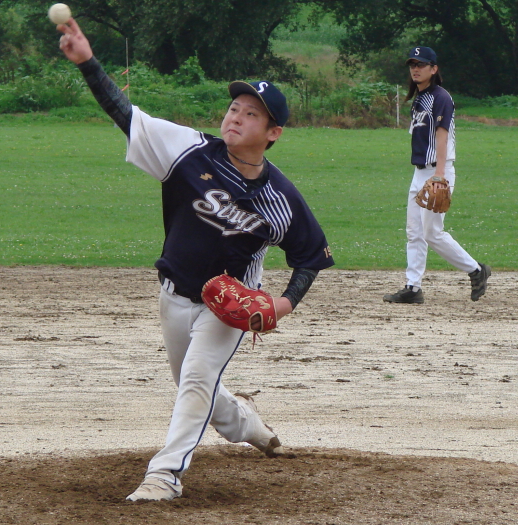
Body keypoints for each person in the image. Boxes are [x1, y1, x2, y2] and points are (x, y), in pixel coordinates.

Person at [57, 18, 334, 502]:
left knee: (197, 381)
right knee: (196, 386)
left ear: (273, 133)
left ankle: (164, 476)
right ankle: (246, 423)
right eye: (234, 108)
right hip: (173, 295)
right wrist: (87, 63)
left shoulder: (282, 198)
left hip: (227, 306)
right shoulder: (189, 151)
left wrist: (283, 304)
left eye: (251, 114)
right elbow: (126, 115)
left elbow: (310, 256)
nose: (236, 117)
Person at [384, 46, 490, 305]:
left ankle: (476, 270)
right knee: (414, 231)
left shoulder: (440, 97)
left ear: (434, 69)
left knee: (432, 233)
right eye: (412, 64)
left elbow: (441, 137)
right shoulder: (419, 98)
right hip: (420, 172)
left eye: (421, 64)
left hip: (437, 171)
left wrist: (440, 175)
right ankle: (413, 287)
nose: (416, 69)